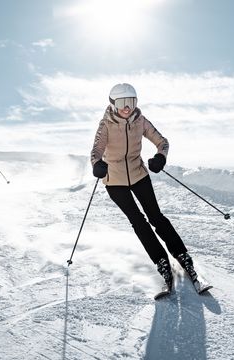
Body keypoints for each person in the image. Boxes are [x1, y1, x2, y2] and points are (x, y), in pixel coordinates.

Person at [90, 83, 199, 293]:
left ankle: (182, 254)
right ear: (113, 104)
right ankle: (161, 261)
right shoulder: (105, 125)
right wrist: (97, 165)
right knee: (138, 222)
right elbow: (96, 150)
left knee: (156, 216)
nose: (127, 107)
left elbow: (162, 141)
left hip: (139, 175)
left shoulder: (140, 121)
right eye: (122, 103)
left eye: (131, 102)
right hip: (115, 182)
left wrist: (160, 157)